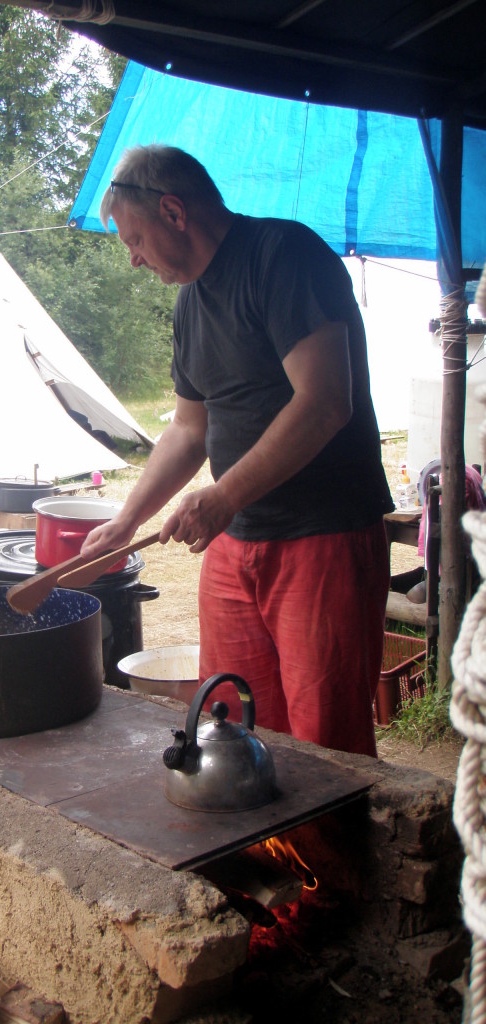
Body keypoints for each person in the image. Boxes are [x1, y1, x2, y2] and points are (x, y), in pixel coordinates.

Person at [80, 145, 394, 757]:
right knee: (234, 727)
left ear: (174, 212)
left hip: (321, 537)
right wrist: (126, 521)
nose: (134, 259)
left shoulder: (284, 256)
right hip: (234, 544)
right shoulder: (189, 305)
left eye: (134, 240)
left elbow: (326, 402)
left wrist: (222, 496)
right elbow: (188, 429)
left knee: (326, 744)